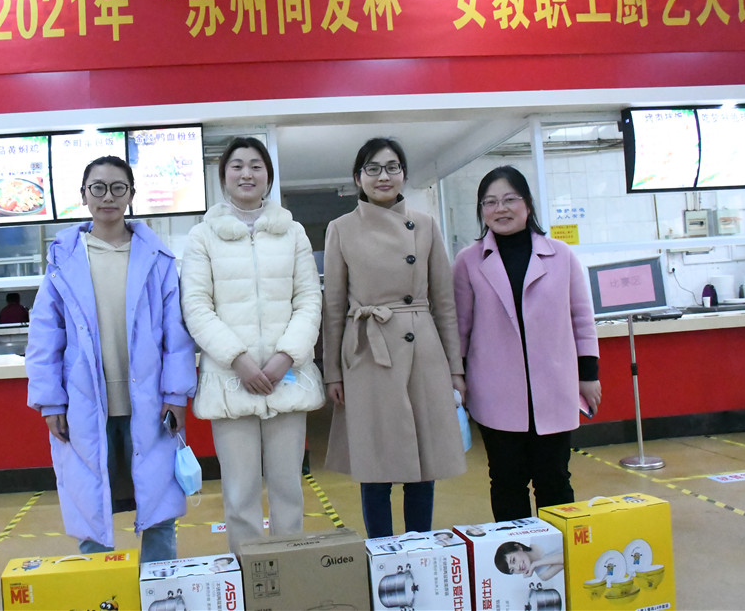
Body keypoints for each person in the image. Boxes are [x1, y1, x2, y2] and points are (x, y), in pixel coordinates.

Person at [26, 155, 196, 562]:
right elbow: (45, 335)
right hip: (85, 402)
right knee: (90, 506)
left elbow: (177, 334)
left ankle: (160, 588)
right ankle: (100, 588)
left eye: (118, 188)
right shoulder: (64, 260)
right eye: (98, 188)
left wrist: (176, 394)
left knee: (159, 505)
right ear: (83, 195)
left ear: (132, 195)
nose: (108, 197)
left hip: (150, 402)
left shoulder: (156, 258)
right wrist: (51, 402)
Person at [180, 136, 322, 554]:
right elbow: (196, 306)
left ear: (268, 176)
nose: (247, 173)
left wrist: (285, 357)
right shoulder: (202, 236)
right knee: (239, 493)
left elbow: (309, 299)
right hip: (231, 381)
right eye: (237, 165)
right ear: (223, 176)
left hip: (287, 378)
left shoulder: (292, 232)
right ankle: (250, 575)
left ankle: (291, 572)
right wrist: (238, 360)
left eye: (256, 165)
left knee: (288, 488)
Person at [322, 137, 466, 539]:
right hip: (367, 350)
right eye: (372, 168)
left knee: (423, 463)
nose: (382, 176)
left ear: (403, 174)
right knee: (375, 465)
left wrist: (455, 369)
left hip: (421, 347)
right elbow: (333, 307)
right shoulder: (341, 229)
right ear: (358, 178)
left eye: (391, 167)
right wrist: (333, 372)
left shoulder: (426, 225)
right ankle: (381, 553)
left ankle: (421, 547)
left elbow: (444, 304)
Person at [452, 165, 601, 522]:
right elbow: (459, 328)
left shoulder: (561, 255)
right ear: (481, 211)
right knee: (507, 482)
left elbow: (582, 319)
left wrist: (588, 375)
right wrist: (457, 377)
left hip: (554, 387)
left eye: (509, 199)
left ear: (528, 205)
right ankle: (515, 553)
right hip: (495, 391)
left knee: (555, 479)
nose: (500, 209)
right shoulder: (468, 261)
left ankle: (561, 552)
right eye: (490, 202)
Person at [494, 541, 564, 580]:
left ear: (518, 547)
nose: (517, 568)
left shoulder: (539, 537)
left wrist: (535, 564)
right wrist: (536, 564)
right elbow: (567, 559)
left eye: (513, 560)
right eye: (512, 570)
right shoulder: (543, 575)